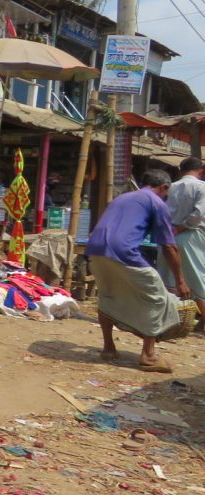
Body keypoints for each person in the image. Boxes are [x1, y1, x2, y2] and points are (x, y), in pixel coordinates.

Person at [87, 169, 191, 373]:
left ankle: (108, 348)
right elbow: (169, 247)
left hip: (95, 248)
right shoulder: (157, 202)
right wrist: (180, 280)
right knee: (157, 297)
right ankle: (149, 355)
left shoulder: (123, 197)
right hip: (122, 250)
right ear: (164, 187)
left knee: (108, 295)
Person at [158, 157, 205, 329]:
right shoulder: (202, 187)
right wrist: (183, 227)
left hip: (168, 236)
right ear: (200, 171)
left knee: (169, 277)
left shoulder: (171, 187)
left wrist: (172, 229)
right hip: (192, 235)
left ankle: (172, 321)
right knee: (198, 277)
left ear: (180, 170)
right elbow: (198, 215)